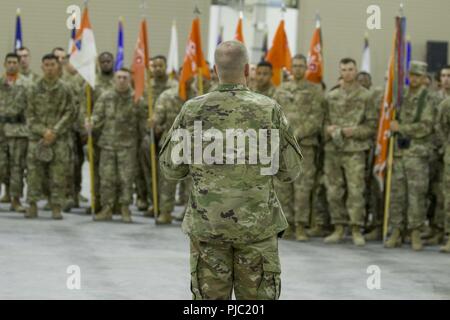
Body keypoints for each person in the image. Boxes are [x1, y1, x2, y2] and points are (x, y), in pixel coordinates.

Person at [159, 40, 302, 300]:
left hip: (208, 228)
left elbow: (170, 168)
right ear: (248, 69)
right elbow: (290, 171)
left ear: (215, 70)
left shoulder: (192, 110)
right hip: (257, 229)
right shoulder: (268, 109)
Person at [323, 58, 377, 246]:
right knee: (333, 190)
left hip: (355, 149)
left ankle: (356, 228)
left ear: (356, 71)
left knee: (356, 190)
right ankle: (339, 227)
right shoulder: (331, 96)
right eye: (344, 69)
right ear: (340, 71)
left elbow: (372, 126)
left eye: (351, 69)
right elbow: (323, 123)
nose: (347, 73)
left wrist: (355, 131)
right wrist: (328, 129)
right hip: (333, 149)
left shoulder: (366, 96)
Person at [272, 54, 324, 241]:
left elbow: (317, 118)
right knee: (283, 186)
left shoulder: (315, 90)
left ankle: (301, 225)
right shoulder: (281, 90)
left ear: (307, 68)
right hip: (283, 146)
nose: (298, 69)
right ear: (291, 68)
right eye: (295, 66)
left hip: (305, 146)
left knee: (303, 187)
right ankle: (287, 225)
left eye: (302, 66)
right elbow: (274, 114)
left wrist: (298, 133)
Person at [384, 61, 434, 251]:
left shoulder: (428, 98)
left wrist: (401, 128)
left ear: (423, 78)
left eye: (418, 75)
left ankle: (415, 232)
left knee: (417, 196)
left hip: (417, 155)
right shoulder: (400, 96)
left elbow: (426, 126)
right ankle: (396, 230)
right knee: (397, 194)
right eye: (411, 75)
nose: (414, 79)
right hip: (398, 154)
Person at [86, 68, 147, 223]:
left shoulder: (137, 98)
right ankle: (107, 208)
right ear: (114, 79)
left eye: (124, 78)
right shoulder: (106, 97)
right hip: (107, 145)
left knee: (126, 179)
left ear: (129, 79)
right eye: (119, 77)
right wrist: (91, 123)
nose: (121, 80)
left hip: (128, 146)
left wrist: (147, 134)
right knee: (107, 179)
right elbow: (98, 116)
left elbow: (143, 123)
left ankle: (125, 208)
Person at [25, 54, 75, 219]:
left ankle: (56, 206)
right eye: (46, 65)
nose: (49, 68)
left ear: (58, 66)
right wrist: (43, 132)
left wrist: (55, 131)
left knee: (58, 174)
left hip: (58, 139)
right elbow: (29, 115)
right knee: (33, 173)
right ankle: (32, 204)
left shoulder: (65, 88)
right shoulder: (33, 88)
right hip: (37, 138)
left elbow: (70, 112)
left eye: (52, 65)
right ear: (42, 67)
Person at [138, 55, 177, 215]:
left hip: (168, 136)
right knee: (150, 173)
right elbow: (143, 111)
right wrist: (151, 129)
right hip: (149, 135)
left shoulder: (173, 86)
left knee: (165, 175)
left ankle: (165, 206)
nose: (157, 69)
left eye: (160, 66)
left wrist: (161, 127)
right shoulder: (147, 87)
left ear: (166, 66)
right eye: (154, 66)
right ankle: (153, 203)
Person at [0, 53, 28, 213]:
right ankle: (6, 192)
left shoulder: (26, 84)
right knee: (2, 165)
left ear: (18, 64)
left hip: (18, 130)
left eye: (14, 62)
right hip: (1, 130)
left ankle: (16, 200)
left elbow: (32, 107)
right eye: (9, 62)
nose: (11, 65)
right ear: (4, 64)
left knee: (17, 166)